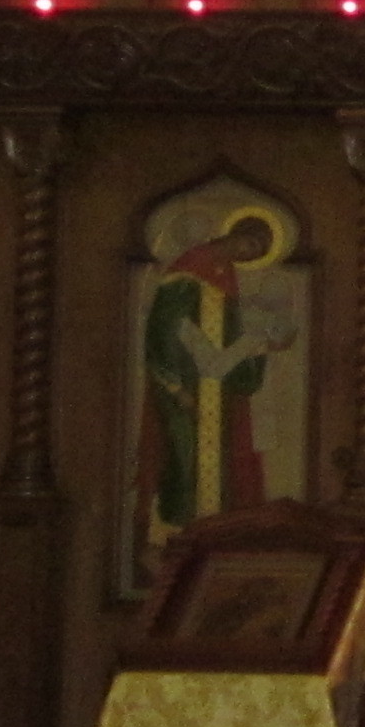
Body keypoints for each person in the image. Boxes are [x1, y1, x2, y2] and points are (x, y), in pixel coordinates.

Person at [137, 209, 290, 542]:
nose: (247, 255)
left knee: (220, 466)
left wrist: (259, 350)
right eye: (250, 245)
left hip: (216, 391)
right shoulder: (188, 270)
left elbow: (228, 346)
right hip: (183, 387)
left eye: (256, 254)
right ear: (235, 233)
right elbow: (163, 333)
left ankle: (210, 540)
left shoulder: (227, 278)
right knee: (183, 460)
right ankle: (171, 539)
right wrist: (176, 387)